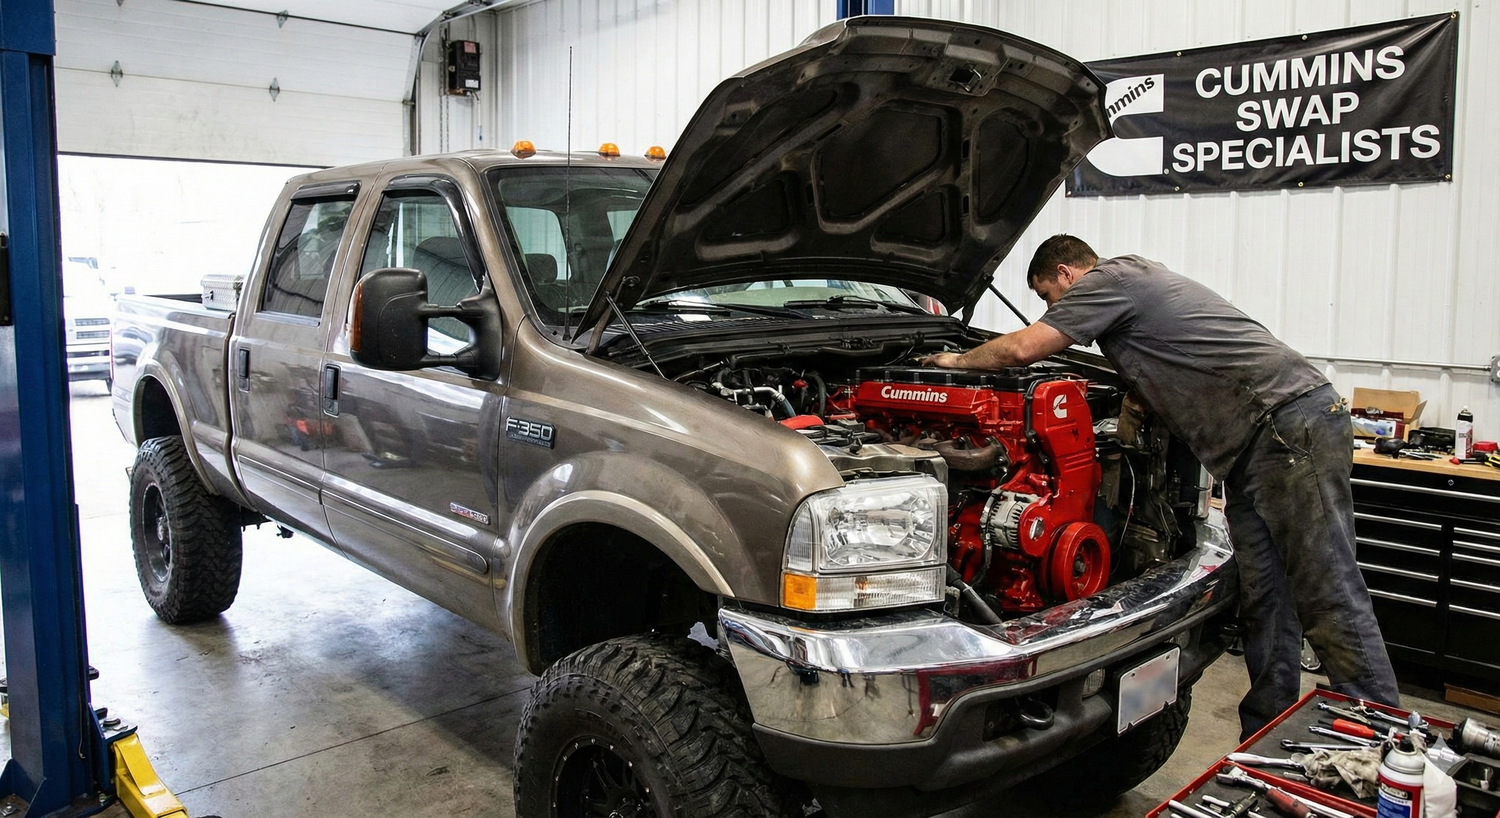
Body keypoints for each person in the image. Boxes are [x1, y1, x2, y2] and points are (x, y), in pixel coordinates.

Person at [923, 234, 1400, 739]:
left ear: (1066, 273)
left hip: (1288, 429)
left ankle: (1386, 745)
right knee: (1266, 596)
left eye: (1046, 297)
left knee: (1327, 589)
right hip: (1253, 449)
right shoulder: (1137, 287)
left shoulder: (1111, 279)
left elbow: (1023, 347)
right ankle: (1267, 734)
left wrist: (953, 362)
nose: (1051, 308)